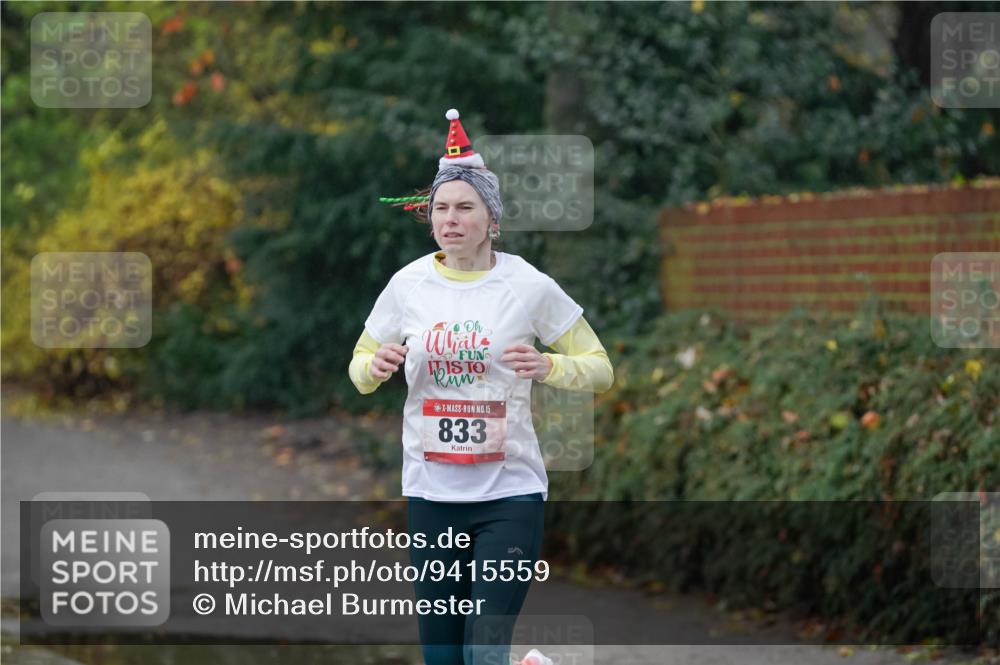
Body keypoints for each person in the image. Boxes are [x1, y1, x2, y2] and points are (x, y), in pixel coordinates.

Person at [349, 109, 614, 665]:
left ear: (492, 219)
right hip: (429, 492)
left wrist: (549, 368)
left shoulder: (526, 284)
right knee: (444, 657)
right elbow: (361, 362)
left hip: (509, 495)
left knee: (484, 653)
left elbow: (599, 367)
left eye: (465, 207)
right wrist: (374, 370)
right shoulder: (409, 285)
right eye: (441, 208)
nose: (451, 219)